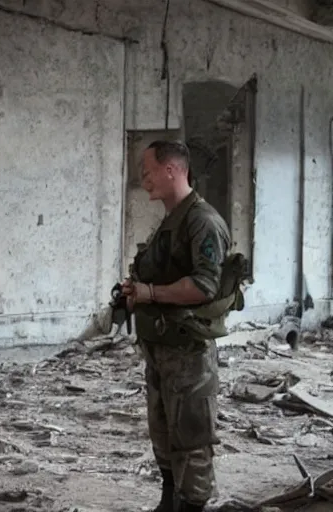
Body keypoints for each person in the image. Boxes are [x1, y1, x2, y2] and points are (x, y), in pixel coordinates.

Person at [120, 140, 244, 512]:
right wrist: (137, 293)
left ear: (172, 169)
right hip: (162, 348)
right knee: (163, 432)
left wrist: (150, 292)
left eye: (148, 170)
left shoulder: (201, 221)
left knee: (191, 437)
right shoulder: (174, 220)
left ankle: (189, 506)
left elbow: (204, 286)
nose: (143, 179)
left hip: (188, 353)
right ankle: (168, 501)